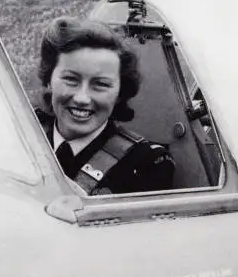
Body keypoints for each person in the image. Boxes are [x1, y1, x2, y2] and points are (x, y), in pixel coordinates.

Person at [35, 16, 175, 195]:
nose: (82, 99)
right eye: (71, 79)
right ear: (48, 81)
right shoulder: (19, 137)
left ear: (120, 93)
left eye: (100, 84)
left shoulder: (147, 163)